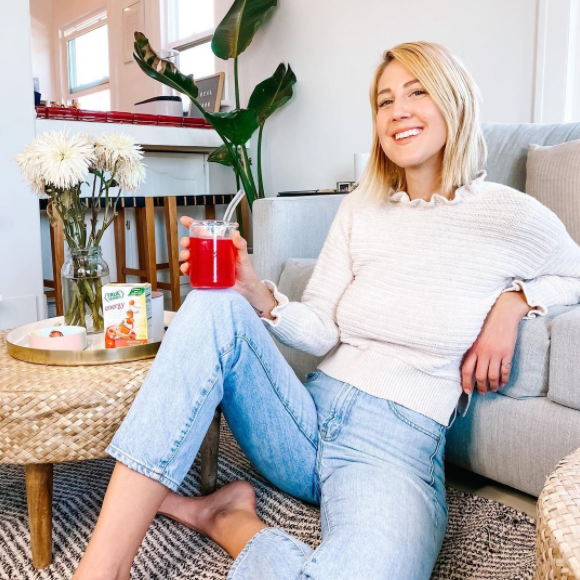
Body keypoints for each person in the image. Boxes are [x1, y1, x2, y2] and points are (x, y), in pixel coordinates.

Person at [73, 41, 580, 580]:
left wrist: (513, 302)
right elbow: (317, 331)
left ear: (454, 101)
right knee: (212, 303)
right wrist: (252, 289)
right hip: (303, 420)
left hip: (392, 448)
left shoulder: (507, 214)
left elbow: (574, 270)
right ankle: (103, 569)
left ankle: (229, 521)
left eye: (417, 92)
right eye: (384, 101)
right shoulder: (362, 207)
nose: (398, 111)